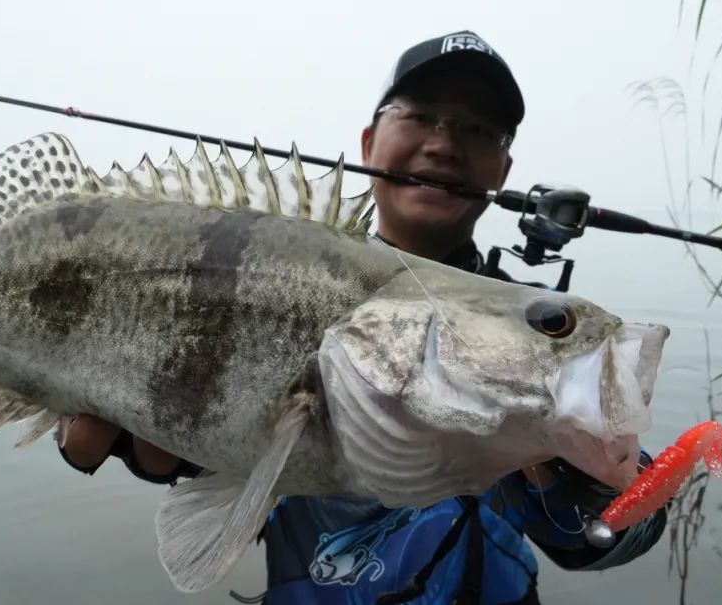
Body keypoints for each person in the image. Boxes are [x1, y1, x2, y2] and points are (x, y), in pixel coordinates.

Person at [57, 30, 667, 605]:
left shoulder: (520, 327)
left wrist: (586, 490)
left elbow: (626, 531)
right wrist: (207, 448)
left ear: (503, 171)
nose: (443, 143)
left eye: (479, 129)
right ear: (370, 142)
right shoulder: (277, 270)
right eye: (420, 116)